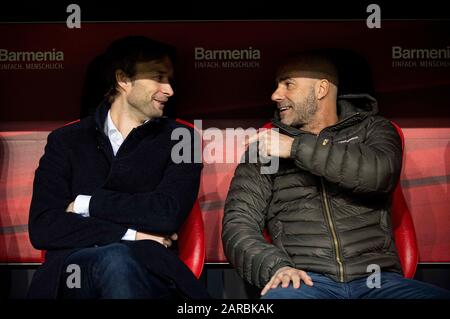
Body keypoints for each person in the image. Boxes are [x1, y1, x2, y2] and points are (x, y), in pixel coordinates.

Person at [222, 50, 450, 299]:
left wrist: (295, 148)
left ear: (321, 89)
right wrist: (277, 267)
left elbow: (380, 174)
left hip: (377, 281)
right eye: (277, 85)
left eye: (288, 84)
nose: (276, 95)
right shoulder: (264, 147)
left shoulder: (373, 129)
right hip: (305, 282)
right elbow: (238, 225)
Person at [27, 36, 209, 299]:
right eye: (158, 77)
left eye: (170, 80)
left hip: (150, 271)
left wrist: (85, 205)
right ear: (123, 79)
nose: (169, 90)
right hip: (74, 273)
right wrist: (131, 234)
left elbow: (165, 213)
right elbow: (44, 227)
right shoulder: (66, 140)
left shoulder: (184, 139)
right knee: (115, 257)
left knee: (118, 262)